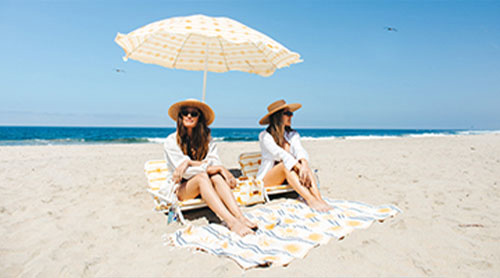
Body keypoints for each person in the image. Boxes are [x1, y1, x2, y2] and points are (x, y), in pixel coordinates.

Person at [164, 99, 257, 236]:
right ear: (180, 117)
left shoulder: (206, 138)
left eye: (194, 113)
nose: (189, 116)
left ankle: (240, 217)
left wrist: (190, 162)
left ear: (199, 117)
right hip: (180, 188)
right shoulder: (171, 141)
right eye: (185, 113)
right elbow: (187, 174)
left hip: (205, 183)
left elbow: (215, 162)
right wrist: (211, 167)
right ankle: (232, 223)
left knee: (216, 176)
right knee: (203, 176)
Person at [257, 99, 332, 212]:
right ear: (278, 116)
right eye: (287, 113)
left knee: (304, 165)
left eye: (291, 113)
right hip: (269, 179)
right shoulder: (265, 136)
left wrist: (304, 165)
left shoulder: (292, 135)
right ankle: (310, 199)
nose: (291, 116)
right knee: (285, 166)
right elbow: (280, 154)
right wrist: (300, 168)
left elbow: (299, 150)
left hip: (290, 176)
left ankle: (318, 199)